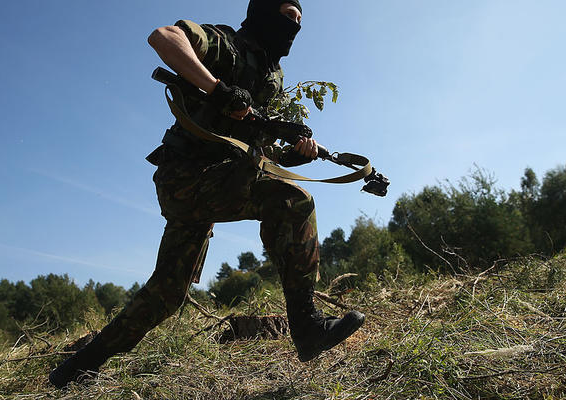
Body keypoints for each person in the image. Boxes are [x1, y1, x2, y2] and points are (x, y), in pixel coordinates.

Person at [49, 0, 364, 388]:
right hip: (184, 178)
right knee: (293, 201)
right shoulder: (226, 44)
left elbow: (252, 151)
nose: (294, 26)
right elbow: (163, 37)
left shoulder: (272, 76)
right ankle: (307, 325)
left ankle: (77, 367)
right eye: (287, 14)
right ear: (264, 12)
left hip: (214, 181)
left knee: (167, 294)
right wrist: (218, 90)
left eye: (300, 20)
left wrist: (297, 155)